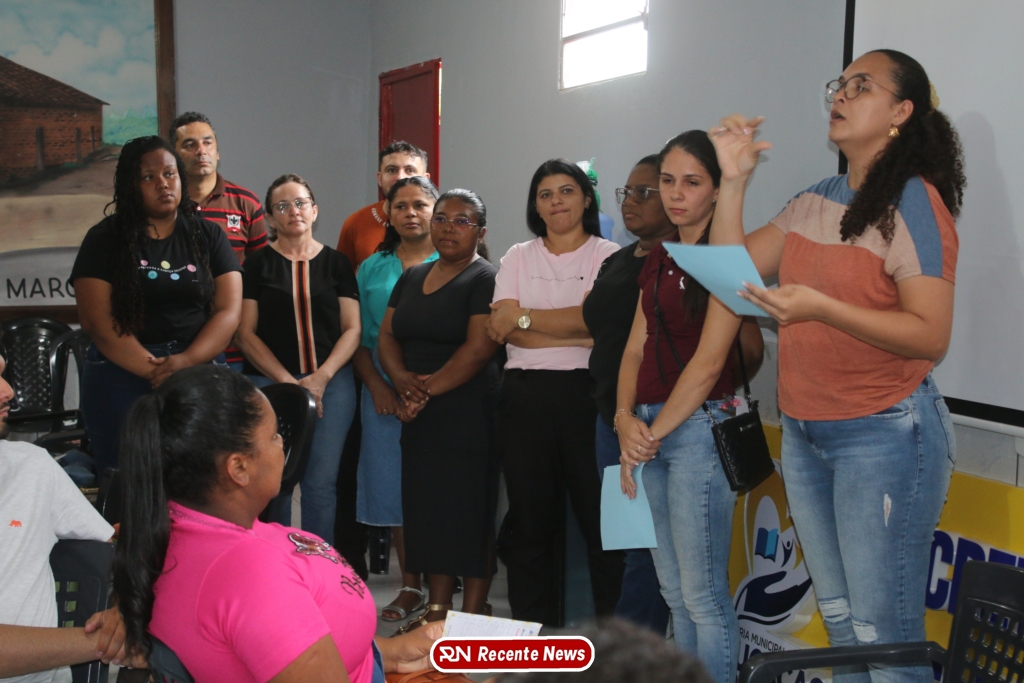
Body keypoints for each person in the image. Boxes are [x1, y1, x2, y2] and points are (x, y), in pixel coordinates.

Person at [707, 49, 963, 683]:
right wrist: (732, 182)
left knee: (884, 635)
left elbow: (930, 334)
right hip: (806, 433)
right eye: (839, 85)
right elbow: (730, 275)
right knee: (843, 626)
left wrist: (823, 308)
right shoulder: (813, 201)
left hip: (884, 434)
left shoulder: (914, 201)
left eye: (861, 86)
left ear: (901, 112)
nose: (840, 96)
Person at [111, 365, 442, 682]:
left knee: (472, 652)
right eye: (273, 436)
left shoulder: (178, 529)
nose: (282, 443)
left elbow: (281, 650)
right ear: (239, 468)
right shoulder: (250, 577)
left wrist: (389, 653)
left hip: (372, 661)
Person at [614, 130, 761, 682]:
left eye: (692, 182)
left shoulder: (724, 258)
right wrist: (624, 419)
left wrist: (645, 438)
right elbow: (635, 346)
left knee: (702, 594)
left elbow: (708, 363)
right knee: (673, 590)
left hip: (698, 427)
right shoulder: (659, 254)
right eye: (667, 181)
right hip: (648, 425)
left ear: (719, 189)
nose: (675, 194)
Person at [486, 159, 623, 627]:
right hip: (525, 399)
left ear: (586, 199)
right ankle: (533, 634)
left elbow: (597, 326)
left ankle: (611, 638)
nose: (556, 201)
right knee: (529, 523)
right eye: (545, 194)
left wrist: (526, 318)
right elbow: (502, 329)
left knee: (600, 522)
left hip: (589, 399)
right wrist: (575, 328)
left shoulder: (608, 255)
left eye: (566, 191)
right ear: (535, 206)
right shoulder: (517, 256)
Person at [71, 135, 243, 475]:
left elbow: (229, 311)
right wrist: (155, 371)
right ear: (130, 186)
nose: (162, 184)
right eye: (148, 177)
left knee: (199, 479)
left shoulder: (209, 236)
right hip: (121, 372)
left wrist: (186, 362)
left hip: (197, 367)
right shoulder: (104, 238)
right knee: (128, 479)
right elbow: (97, 322)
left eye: (169, 174)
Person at [378, 188, 499, 632]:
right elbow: (387, 335)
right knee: (428, 511)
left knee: (468, 511)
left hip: (468, 409)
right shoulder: (413, 276)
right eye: (442, 219)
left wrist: (419, 394)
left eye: (462, 221)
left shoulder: (485, 278)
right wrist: (400, 380)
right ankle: (437, 610)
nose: (449, 228)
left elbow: (478, 349)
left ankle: (472, 615)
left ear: (480, 232)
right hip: (420, 410)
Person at [233, 174, 361, 544]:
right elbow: (245, 333)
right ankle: (277, 563)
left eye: (301, 203)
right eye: (283, 206)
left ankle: (319, 566)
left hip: (333, 385)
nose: (294, 211)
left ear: (315, 210)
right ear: (270, 218)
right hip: (270, 385)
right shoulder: (256, 265)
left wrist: (321, 378)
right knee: (276, 482)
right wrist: (289, 384)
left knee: (321, 483)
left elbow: (352, 329)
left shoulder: (337, 263)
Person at [0, 335, 131, 682]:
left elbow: (111, 543)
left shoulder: (30, 465)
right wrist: (110, 642)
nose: (8, 391)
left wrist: (128, 602)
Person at [352, 176, 439, 622]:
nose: (410, 213)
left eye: (420, 204)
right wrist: (378, 385)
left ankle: (443, 586)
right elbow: (358, 338)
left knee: (439, 488)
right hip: (384, 391)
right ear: (387, 212)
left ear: (435, 209)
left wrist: (425, 388)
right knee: (395, 490)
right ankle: (410, 585)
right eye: (400, 205)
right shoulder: (372, 267)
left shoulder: (456, 261)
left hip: (440, 387)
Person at [170, 111, 268, 370]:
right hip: (175, 347)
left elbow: (260, 276)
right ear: (173, 156)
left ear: (217, 151)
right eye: (189, 144)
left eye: (207, 142)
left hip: (234, 348)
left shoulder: (246, 203)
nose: (201, 151)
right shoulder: (163, 206)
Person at [337, 141, 430, 270]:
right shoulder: (355, 223)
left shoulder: (440, 224)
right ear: (379, 179)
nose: (400, 177)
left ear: (426, 179)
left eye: (410, 170)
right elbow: (340, 278)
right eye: (392, 170)